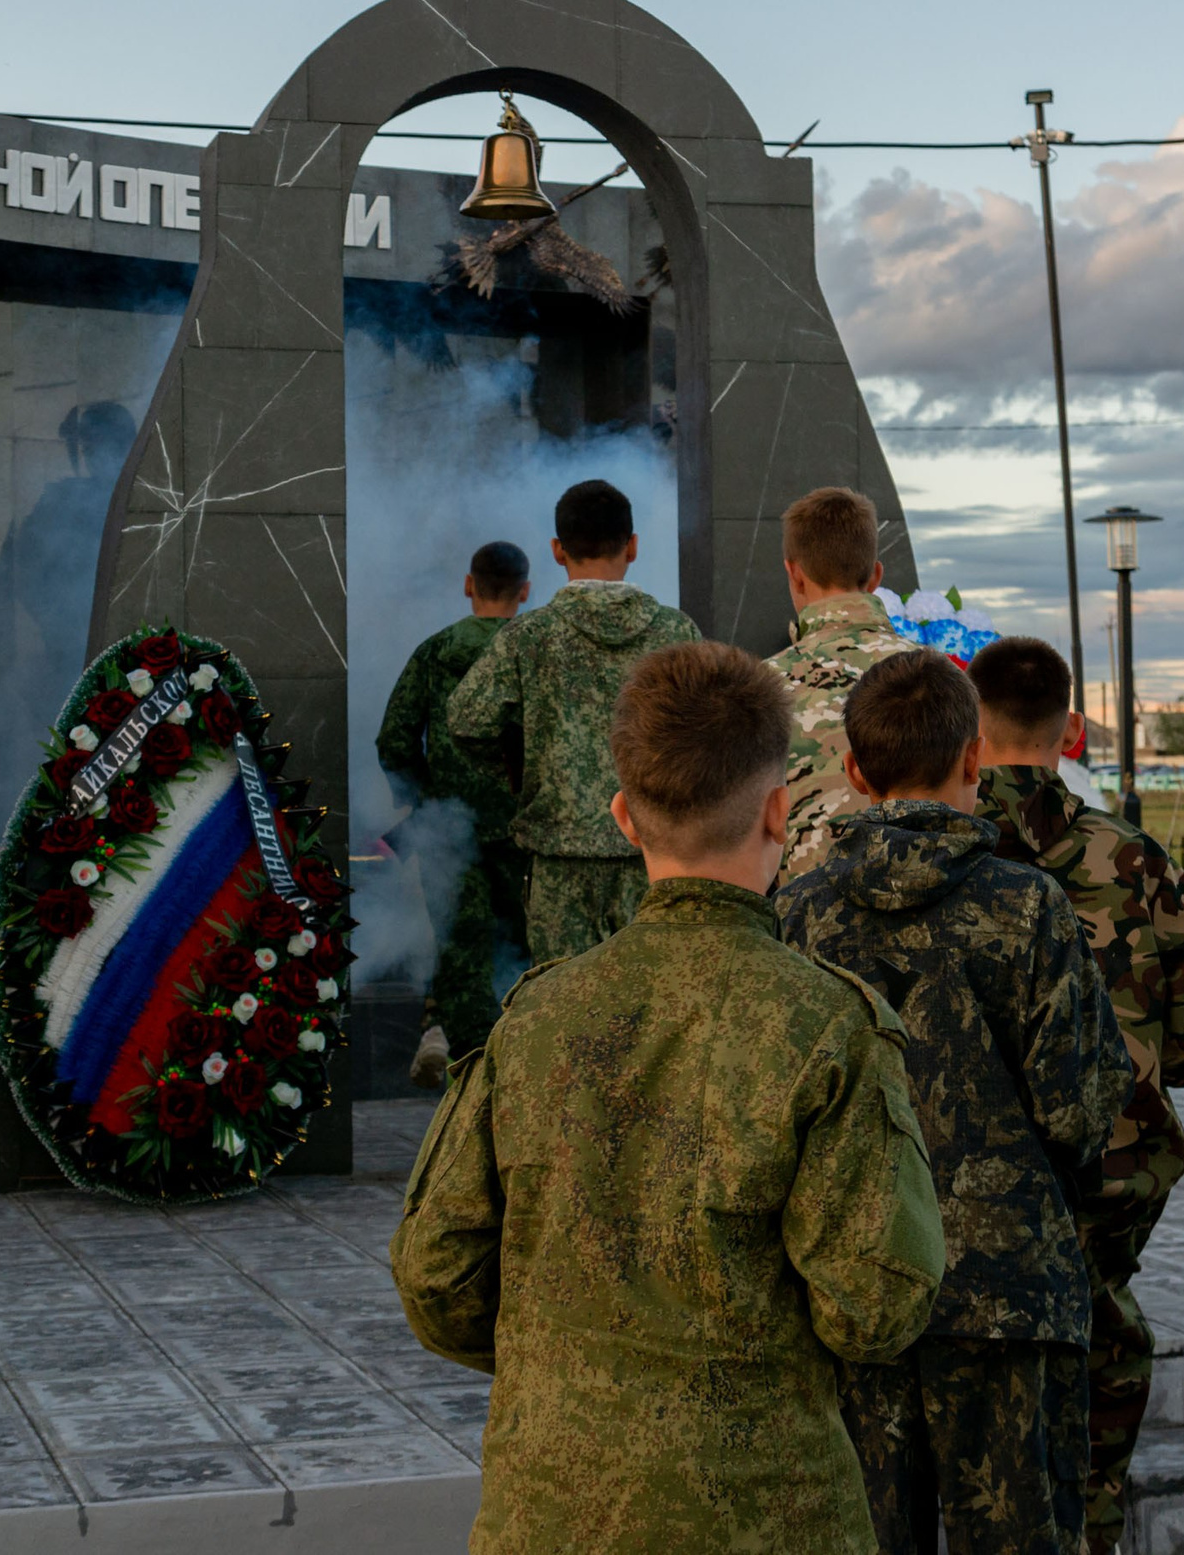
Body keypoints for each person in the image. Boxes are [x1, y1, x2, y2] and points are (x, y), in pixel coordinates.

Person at [394, 642, 944, 1554]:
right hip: (769, 1514)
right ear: (779, 809)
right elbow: (876, 1305)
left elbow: (436, 1277)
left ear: (622, 816)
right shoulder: (827, 1025)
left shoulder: (533, 1019)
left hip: (552, 1511)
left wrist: (574, 1368)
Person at [778, 648, 1132, 1555]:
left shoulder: (799, 915)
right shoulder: (1029, 907)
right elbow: (1084, 1111)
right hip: (1011, 1298)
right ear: (975, 759)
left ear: (853, 772)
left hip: (857, 1292)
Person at [965, 636, 1184, 1555]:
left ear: (970, 729)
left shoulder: (932, 863)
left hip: (965, 1212)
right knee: (1095, 1379)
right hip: (1107, 1193)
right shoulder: (1136, 859)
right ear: (1072, 729)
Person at [448, 480, 698, 966]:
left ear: (558, 550)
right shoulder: (676, 632)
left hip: (559, 865)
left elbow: (466, 722)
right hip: (655, 860)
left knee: (564, 1019)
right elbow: (704, 735)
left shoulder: (529, 636)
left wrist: (523, 777)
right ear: (633, 546)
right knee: (652, 1011)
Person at [377, 541, 534, 1087]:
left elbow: (394, 738)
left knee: (462, 949)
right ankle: (519, 1064)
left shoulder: (435, 651)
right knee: (528, 952)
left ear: (469, 585)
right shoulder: (536, 648)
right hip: (528, 832)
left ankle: (461, 1060)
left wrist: (426, 802)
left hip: (452, 834)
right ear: (526, 590)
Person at [765, 486, 917, 881]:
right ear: (876, 576)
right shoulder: (934, 678)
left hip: (797, 927)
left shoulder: (761, 689)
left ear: (794, 574)